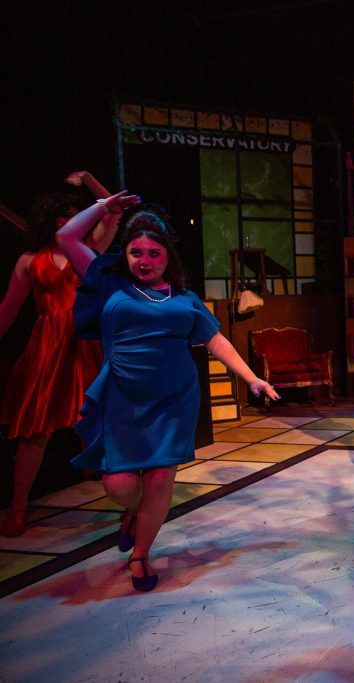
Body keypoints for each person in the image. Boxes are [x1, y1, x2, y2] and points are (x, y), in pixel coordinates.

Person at [57, 194, 279, 591]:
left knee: (160, 480)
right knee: (119, 485)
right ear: (125, 254)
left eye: (153, 254)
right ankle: (136, 512)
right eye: (136, 253)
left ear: (167, 257)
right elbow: (67, 238)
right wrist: (103, 205)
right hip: (123, 398)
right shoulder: (109, 283)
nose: (144, 260)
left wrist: (251, 378)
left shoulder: (184, 299)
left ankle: (140, 555)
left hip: (175, 400)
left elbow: (216, 340)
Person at [0, 172, 118, 537]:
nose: (69, 223)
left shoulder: (89, 251)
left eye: (74, 217)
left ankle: (129, 504)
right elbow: (8, 309)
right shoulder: (29, 260)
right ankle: (18, 510)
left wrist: (90, 180)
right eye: (62, 218)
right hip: (48, 349)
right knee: (35, 431)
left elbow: (113, 210)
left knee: (103, 423)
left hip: (85, 344)